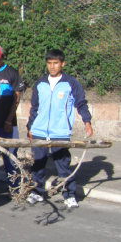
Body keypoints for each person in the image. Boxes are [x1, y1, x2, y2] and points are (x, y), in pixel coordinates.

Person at [26, 49, 93, 209]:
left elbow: (81, 103)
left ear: (62, 64)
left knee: (63, 164)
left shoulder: (71, 83)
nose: (52, 66)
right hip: (39, 131)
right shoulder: (40, 84)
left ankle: (69, 194)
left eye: (56, 63)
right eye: (49, 63)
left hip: (60, 132)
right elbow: (34, 107)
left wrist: (87, 122)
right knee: (38, 164)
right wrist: (30, 126)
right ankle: (36, 191)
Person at [0, 45, 25, 195]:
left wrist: (8, 120)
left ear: (3, 57)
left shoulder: (11, 73)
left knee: (10, 156)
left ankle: (14, 186)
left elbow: (17, 98)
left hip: (8, 124)